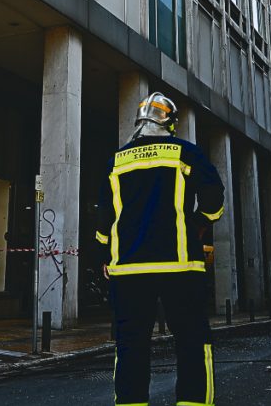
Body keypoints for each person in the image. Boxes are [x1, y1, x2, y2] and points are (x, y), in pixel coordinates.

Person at [96, 92, 225, 406]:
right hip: (180, 265)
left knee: (131, 342)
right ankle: (193, 402)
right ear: (171, 123)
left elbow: (103, 219)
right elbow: (214, 197)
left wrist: (106, 255)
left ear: (139, 121)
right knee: (192, 339)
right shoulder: (185, 152)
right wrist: (199, 223)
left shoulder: (117, 161)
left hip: (128, 268)